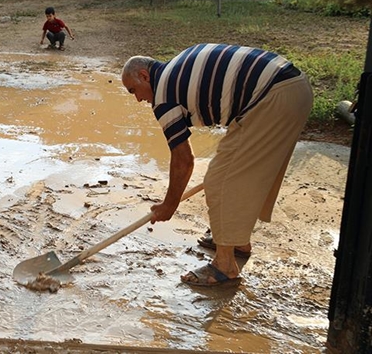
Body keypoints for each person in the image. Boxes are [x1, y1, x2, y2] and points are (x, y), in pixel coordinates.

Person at [120, 44, 312, 287]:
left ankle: (224, 265)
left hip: (273, 95)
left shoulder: (163, 95)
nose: (138, 99)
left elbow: (183, 159)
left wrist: (170, 204)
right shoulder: (176, 65)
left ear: (144, 76)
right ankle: (237, 241)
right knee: (245, 174)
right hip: (293, 88)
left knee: (219, 179)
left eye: (133, 90)